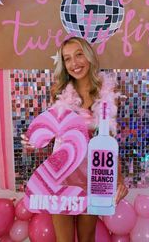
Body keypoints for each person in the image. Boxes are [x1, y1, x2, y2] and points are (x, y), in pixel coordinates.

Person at [21, 36, 128, 242]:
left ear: (89, 57)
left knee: (87, 237)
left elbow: (110, 144)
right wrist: (31, 143)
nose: (74, 63)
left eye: (79, 55)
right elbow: (46, 134)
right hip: (59, 177)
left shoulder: (106, 96)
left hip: (92, 177)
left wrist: (119, 179)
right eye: (67, 58)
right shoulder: (61, 95)